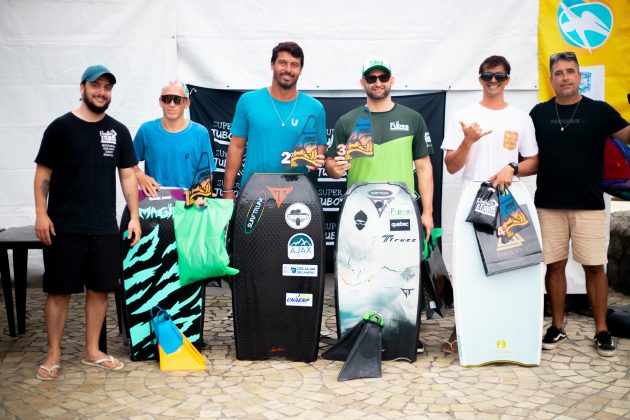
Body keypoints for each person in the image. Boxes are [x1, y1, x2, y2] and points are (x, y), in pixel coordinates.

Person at [33, 65, 141, 380]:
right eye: (96, 86)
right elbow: (43, 174)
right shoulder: (61, 128)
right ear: (82, 88)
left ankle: (92, 351)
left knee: (99, 290)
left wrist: (133, 217)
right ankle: (53, 354)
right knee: (59, 291)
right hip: (64, 225)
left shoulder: (118, 131)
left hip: (104, 226)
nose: (102, 92)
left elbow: (128, 175)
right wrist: (42, 214)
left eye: (107, 87)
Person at [325, 57, 435, 353]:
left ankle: (404, 333)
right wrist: (337, 166)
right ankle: (358, 332)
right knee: (360, 275)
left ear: (391, 81)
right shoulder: (347, 121)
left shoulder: (412, 118)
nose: (377, 83)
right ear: (362, 83)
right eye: (371, 78)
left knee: (402, 274)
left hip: (401, 213)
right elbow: (333, 168)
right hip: (360, 214)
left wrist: (428, 213)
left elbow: (423, 167)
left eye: (382, 77)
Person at [530, 51, 630, 357]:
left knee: (595, 268)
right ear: (551, 79)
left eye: (570, 71)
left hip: (588, 204)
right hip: (549, 204)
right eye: (558, 73)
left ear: (579, 76)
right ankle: (557, 327)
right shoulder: (538, 113)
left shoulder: (599, 111)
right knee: (555, 266)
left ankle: (602, 330)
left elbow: (627, 136)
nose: (565, 77)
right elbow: (525, 154)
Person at [441, 55, 539, 354]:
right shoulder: (465, 115)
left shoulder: (521, 118)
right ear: (479, 78)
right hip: (475, 196)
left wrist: (513, 167)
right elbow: (451, 166)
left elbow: (534, 160)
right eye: (487, 76)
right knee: (470, 266)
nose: (493, 81)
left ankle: (508, 329)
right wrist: (468, 141)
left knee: (512, 265)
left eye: (499, 76)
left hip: (510, 198)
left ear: (508, 79)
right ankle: (464, 330)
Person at [223, 41, 326, 199]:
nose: (288, 70)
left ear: (300, 70)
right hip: (253, 194)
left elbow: (319, 153)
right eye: (282, 63)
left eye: (294, 65)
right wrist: (227, 190)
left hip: (296, 196)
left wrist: (315, 161)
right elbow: (236, 147)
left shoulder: (315, 108)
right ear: (272, 64)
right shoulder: (248, 101)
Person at [133, 80, 216, 199]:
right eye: (167, 99)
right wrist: (139, 174)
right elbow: (128, 162)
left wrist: (201, 193)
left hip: (188, 204)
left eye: (177, 100)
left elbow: (206, 174)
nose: (172, 104)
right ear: (161, 102)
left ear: (187, 103)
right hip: (155, 203)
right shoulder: (146, 130)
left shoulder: (200, 133)